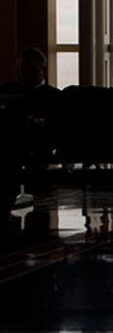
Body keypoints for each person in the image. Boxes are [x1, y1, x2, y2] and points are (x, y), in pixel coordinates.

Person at [0, 48, 61, 219]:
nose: (26, 75)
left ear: (42, 69)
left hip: (33, 143)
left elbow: (56, 125)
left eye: (30, 70)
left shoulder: (53, 96)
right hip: (23, 143)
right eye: (23, 70)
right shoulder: (51, 95)